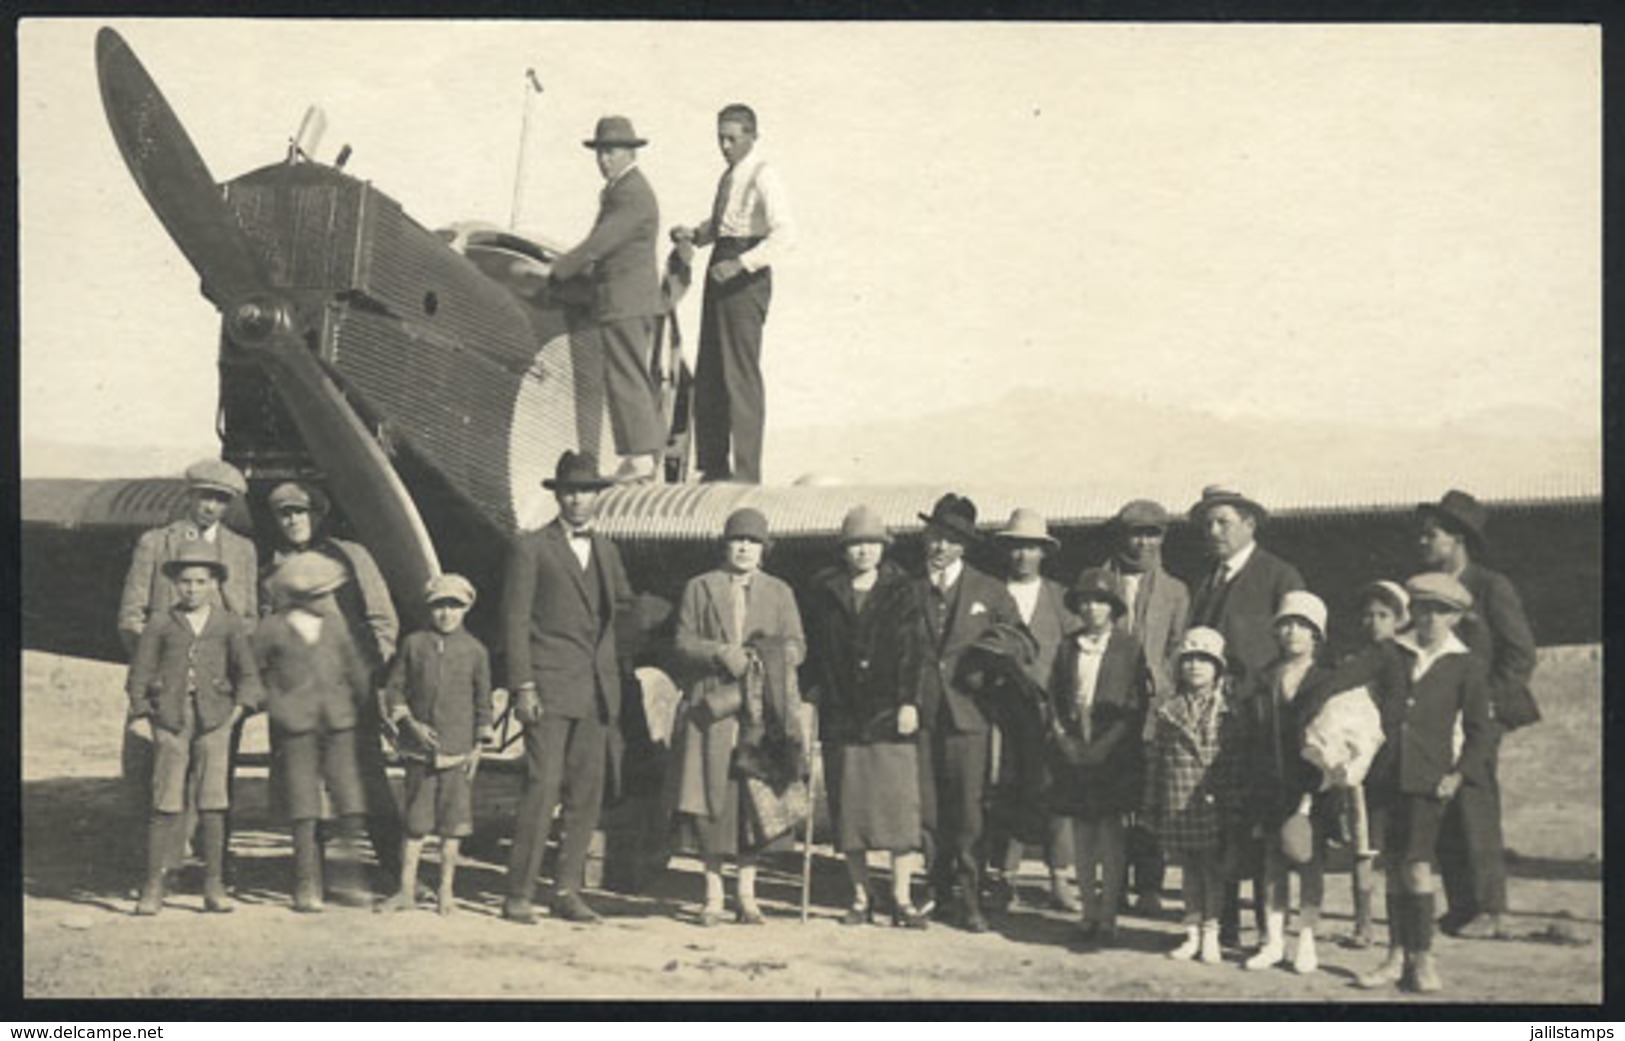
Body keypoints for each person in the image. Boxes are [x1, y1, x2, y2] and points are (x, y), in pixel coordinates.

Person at [501, 451, 635, 924]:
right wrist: (523, 685)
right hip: (549, 688)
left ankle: (567, 890)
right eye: (570, 491)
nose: (578, 500)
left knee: (585, 794)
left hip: (596, 692)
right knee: (542, 788)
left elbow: (622, 607)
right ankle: (518, 893)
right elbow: (515, 621)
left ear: (597, 498)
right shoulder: (532, 547)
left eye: (586, 491)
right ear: (557, 496)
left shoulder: (607, 550)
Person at [1353, 572, 1494, 994]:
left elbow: (1480, 731)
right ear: (1411, 612)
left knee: (1416, 869)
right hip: (1384, 777)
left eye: (1442, 611)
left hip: (1428, 781)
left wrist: (1459, 773)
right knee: (1393, 869)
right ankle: (1396, 957)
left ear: (1456, 618)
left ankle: (1424, 959)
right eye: (1423, 609)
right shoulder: (1391, 652)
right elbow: (1348, 681)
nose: (1431, 618)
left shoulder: (1466, 664)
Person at [262, 481, 402, 885]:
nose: (293, 520)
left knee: (368, 777)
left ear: (317, 515)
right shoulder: (272, 568)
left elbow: (381, 619)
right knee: (304, 782)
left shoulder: (352, 556)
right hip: (299, 693)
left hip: (350, 690)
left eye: (300, 512)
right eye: (284, 514)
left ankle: (394, 871)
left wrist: (374, 676)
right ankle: (312, 876)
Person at [672, 507, 808, 925]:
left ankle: (747, 896)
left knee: (754, 800)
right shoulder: (700, 587)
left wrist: (766, 657)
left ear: (765, 549)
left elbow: (798, 647)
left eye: (753, 541)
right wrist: (719, 652)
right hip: (712, 707)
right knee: (713, 801)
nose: (745, 548)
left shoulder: (780, 592)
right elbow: (681, 640)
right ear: (725, 545)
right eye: (738, 540)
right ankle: (712, 895)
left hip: (761, 711)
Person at [1186, 483, 1305, 949]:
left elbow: (1297, 649)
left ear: (1250, 525)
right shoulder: (1207, 581)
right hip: (1214, 723)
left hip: (1260, 721)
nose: (1214, 532)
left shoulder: (1278, 576)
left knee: (1258, 826)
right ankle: (1223, 921)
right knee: (1222, 823)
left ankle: (1267, 928)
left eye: (1224, 523)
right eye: (1208, 524)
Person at [1416, 490, 1538, 941]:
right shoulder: (1429, 590)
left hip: (1480, 716)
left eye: (1431, 535)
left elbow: (1521, 654)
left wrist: (1488, 704)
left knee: (1476, 803)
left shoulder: (1490, 587)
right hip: (1439, 717)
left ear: (1458, 540)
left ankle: (1492, 909)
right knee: (1444, 806)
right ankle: (1463, 905)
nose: (1422, 543)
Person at [802, 505, 930, 928]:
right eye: (856, 544)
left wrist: (909, 702)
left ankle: (901, 897)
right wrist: (813, 691)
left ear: (883, 548)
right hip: (843, 716)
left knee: (897, 812)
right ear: (845, 549)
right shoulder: (825, 592)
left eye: (872, 544)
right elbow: (816, 652)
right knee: (851, 811)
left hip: (889, 714)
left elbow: (914, 651)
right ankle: (861, 896)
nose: (864, 552)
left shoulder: (902, 590)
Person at [124, 540, 263, 915]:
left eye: (201, 581)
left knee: (213, 801)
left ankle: (214, 886)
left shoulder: (228, 623)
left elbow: (249, 676)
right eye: (185, 581)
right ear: (174, 584)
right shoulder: (161, 623)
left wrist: (234, 716)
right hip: (170, 721)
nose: (192, 589)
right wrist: (145, 713)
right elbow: (139, 675)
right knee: (165, 800)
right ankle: (153, 886)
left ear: (215, 583)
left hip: (215, 722)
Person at [912, 493, 1021, 932]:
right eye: (935, 536)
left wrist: (990, 661)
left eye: (951, 539)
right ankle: (935, 891)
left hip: (969, 714)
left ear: (965, 545)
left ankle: (971, 896)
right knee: (928, 808)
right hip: (920, 713)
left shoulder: (989, 590)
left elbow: (1019, 640)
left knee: (970, 812)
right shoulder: (907, 587)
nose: (940, 547)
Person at [670, 103, 795, 484]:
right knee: (710, 367)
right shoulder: (730, 176)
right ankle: (713, 464)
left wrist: (742, 265)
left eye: (732, 138)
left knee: (740, 371)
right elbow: (725, 225)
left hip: (744, 274)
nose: (724, 145)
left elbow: (786, 233)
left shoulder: (764, 175)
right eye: (720, 138)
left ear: (752, 136)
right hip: (720, 265)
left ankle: (745, 473)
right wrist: (695, 234)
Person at [254, 552, 375, 913]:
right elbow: (251, 670)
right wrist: (275, 702)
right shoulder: (273, 628)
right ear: (301, 595)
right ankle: (307, 884)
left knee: (348, 800)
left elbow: (357, 673)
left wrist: (357, 704)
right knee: (304, 805)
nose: (328, 601)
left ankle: (348, 877)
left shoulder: (335, 627)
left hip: (338, 724)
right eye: (321, 594)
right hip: (298, 727)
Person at [549, 116, 667, 484]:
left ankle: (641, 458)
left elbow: (601, 242)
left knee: (626, 374)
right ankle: (640, 455)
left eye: (610, 152)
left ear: (630, 152)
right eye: (599, 152)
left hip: (625, 300)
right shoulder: (623, 190)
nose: (603, 160)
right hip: (624, 298)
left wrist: (558, 271)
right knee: (627, 373)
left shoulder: (631, 194)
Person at [1045, 568, 1151, 947]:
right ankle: (1087, 912)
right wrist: (1065, 740)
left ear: (1113, 607)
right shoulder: (1066, 647)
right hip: (1074, 751)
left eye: (1101, 601)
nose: (1092, 608)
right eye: (1086, 601)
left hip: (1113, 754)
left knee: (1110, 833)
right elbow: (1055, 698)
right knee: (1082, 834)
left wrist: (1107, 744)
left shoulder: (1128, 648)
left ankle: (1108, 915)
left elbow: (1136, 704)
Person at [377, 574, 494, 916]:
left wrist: (477, 748)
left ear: (466, 608)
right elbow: (395, 688)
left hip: (458, 750)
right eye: (440, 606)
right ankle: (406, 889)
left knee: (452, 824)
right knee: (415, 823)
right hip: (419, 750)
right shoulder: (414, 644)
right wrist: (411, 724)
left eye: (454, 606)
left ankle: (446, 891)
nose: (446, 614)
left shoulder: (475, 651)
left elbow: (483, 701)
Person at [986, 508, 1079, 914]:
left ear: (1044, 553)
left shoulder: (1060, 598)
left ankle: (1060, 876)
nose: (1024, 555)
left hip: (1048, 710)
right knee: (1005, 791)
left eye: (1032, 548)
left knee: (1056, 790)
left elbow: (1073, 653)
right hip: (999, 711)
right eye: (1017, 547)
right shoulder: (990, 593)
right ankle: (1004, 878)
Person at [1241, 590, 1337, 974]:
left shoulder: (1328, 680)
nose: (1293, 632)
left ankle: (1307, 941)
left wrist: (1321, 782)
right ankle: (1274, 941)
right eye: (1286, 625)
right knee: (1271, 864)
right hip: (1270, 783)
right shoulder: (1264, 678)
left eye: (1302, 625)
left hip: (1314, 786)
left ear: (1317, 635)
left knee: (1308, 863)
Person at [1101, 498, 1189, 916]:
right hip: (1108, 707)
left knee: (1150, 798)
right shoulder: (1101, 582)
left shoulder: (1175, 591)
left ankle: (1150, 885)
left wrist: (1164, 684)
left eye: (1152, 534)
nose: (1144, 543)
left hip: (1155, 709)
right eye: (1137, 533)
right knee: (1113, 800)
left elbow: (1178, 647)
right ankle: (1113, 884)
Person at [1145, 627, 1247, 965]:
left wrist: (1231, 799)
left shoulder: (1228, 710)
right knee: (1188, 867)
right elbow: (1157, 759)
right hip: (1177, 797)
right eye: (1188, 660)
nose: (1195, 667)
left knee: (1212, 868)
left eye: (1204, 660)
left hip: (1213, 798)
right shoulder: (1168, 710)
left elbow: (1234, 758)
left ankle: (1212, 931)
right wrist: (1152, 802)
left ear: (1218, 668)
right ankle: (1191, 931)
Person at [118, 458, 257, 657]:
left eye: (221, 500)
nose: (211, 507)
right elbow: (131, 616)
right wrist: (150, 665)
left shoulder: (243, 549)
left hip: (219, 670)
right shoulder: (155, 543)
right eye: (205, 497)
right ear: (189, 496)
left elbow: (250, 619)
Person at [1341, 579, 1410, 949]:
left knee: (1393, 849)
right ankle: (1363, 923)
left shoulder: (1402, 659)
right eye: (1367, 615)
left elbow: (1400, 710)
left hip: (1393, 760)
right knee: (1362, 846)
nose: (1374, 622)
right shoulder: (1355, 660)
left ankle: (1397, 926)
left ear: (1399, 619)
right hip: (1362, 764)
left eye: (1383, 615)